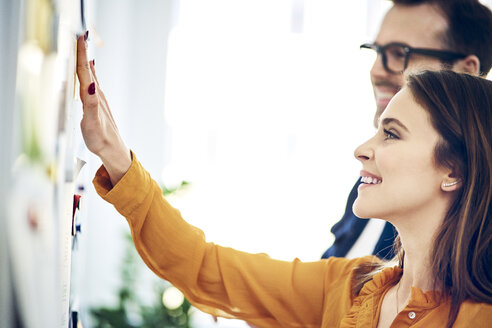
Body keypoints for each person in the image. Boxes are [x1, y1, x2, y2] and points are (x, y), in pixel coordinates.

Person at [76, 33, 492, 327]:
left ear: (453, 169)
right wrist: (115, 157)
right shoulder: (347, 288)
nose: (362, 149)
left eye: (392, 133)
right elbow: (206, 266)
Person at [322, 0, 492, 260]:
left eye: (400, 53)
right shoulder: (371, 181)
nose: (376, 70)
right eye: (377, 51)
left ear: (466, 72)